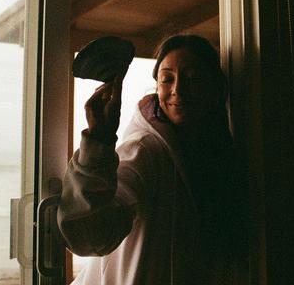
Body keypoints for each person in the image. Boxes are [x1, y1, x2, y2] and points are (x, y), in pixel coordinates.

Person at [58, 34, 244, 284]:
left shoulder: (218, 156)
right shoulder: (144, 151)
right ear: (157, 86)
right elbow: (89, 236)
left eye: (192, 78)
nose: (177, 90)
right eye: (167, 79)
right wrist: (98, 139)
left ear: (214, 87)